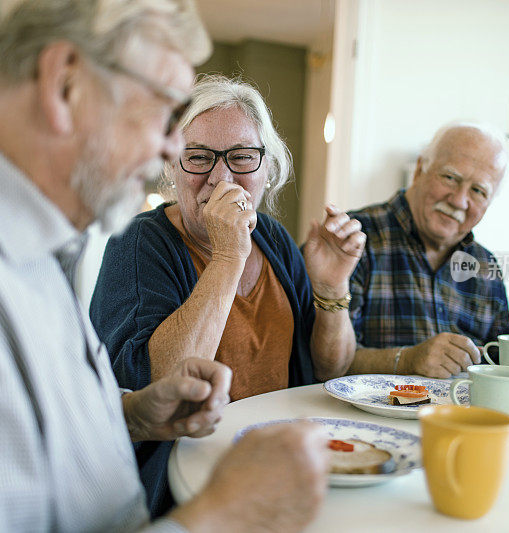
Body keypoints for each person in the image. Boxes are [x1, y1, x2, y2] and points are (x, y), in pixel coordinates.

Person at [0, 2, 330, 531]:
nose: (167, 149)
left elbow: (23, 438)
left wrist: (130, 413)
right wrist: (226, 514)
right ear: (65, 85)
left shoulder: (25, 236)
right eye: (162, 109)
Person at [90, 74, 364, 514]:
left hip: (278, 467)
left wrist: (332, 290)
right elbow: (157, 391)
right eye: (198, 157)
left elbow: (330, 367)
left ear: (267, 169)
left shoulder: (273, 238)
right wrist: (228, 253)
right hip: (183, 485)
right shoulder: (140, 243)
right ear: (172, 167)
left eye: (241, 157)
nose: (221, 177)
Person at [346, 123, 509, 379]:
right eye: (450, 178)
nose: (459, 200)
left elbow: (502, 363)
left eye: (478, 191)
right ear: (419, 171)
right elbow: (326, 362)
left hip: (459, 416)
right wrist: (407, 360)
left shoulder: (485, 265)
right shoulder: (354, 239)